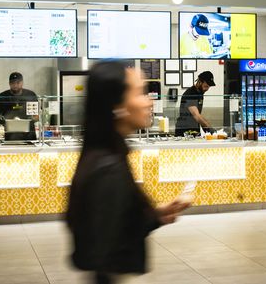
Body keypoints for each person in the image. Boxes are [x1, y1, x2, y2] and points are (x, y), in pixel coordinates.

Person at [67, 62, 191, 284]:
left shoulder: (108, 155)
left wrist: (156, 214)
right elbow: (102, 252)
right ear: (118, 106)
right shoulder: (108, 168)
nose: (149, 101)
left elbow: (114, 225)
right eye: (140, 93)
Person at [0, 72, 38, 140]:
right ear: (9, 83)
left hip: (29, 136)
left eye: (18, 83)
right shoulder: (2, 96)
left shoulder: (31, 95)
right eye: (13, 83)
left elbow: (37, 115)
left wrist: (33, 118)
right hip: (10, 136)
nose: (15, 85)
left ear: (22, 83)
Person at [174, 71, 216, 136]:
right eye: (205, 86)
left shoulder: (200, 94)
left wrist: (208, 131)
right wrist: (211, 130)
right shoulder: (190, 93)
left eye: (208, 87)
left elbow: (199, 115)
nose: (207, 89)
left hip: (194, 129)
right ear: (199, 82)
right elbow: (196, 116)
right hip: (184, 131)